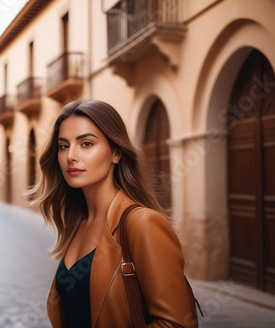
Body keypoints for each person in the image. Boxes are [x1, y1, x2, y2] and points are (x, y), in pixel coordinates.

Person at [27, 100, 198, 327]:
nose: (71, 156)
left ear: (116, 152)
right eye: (63, 146)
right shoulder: (78, 223)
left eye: (86, 143)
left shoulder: (142, 223)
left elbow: (176, 324)